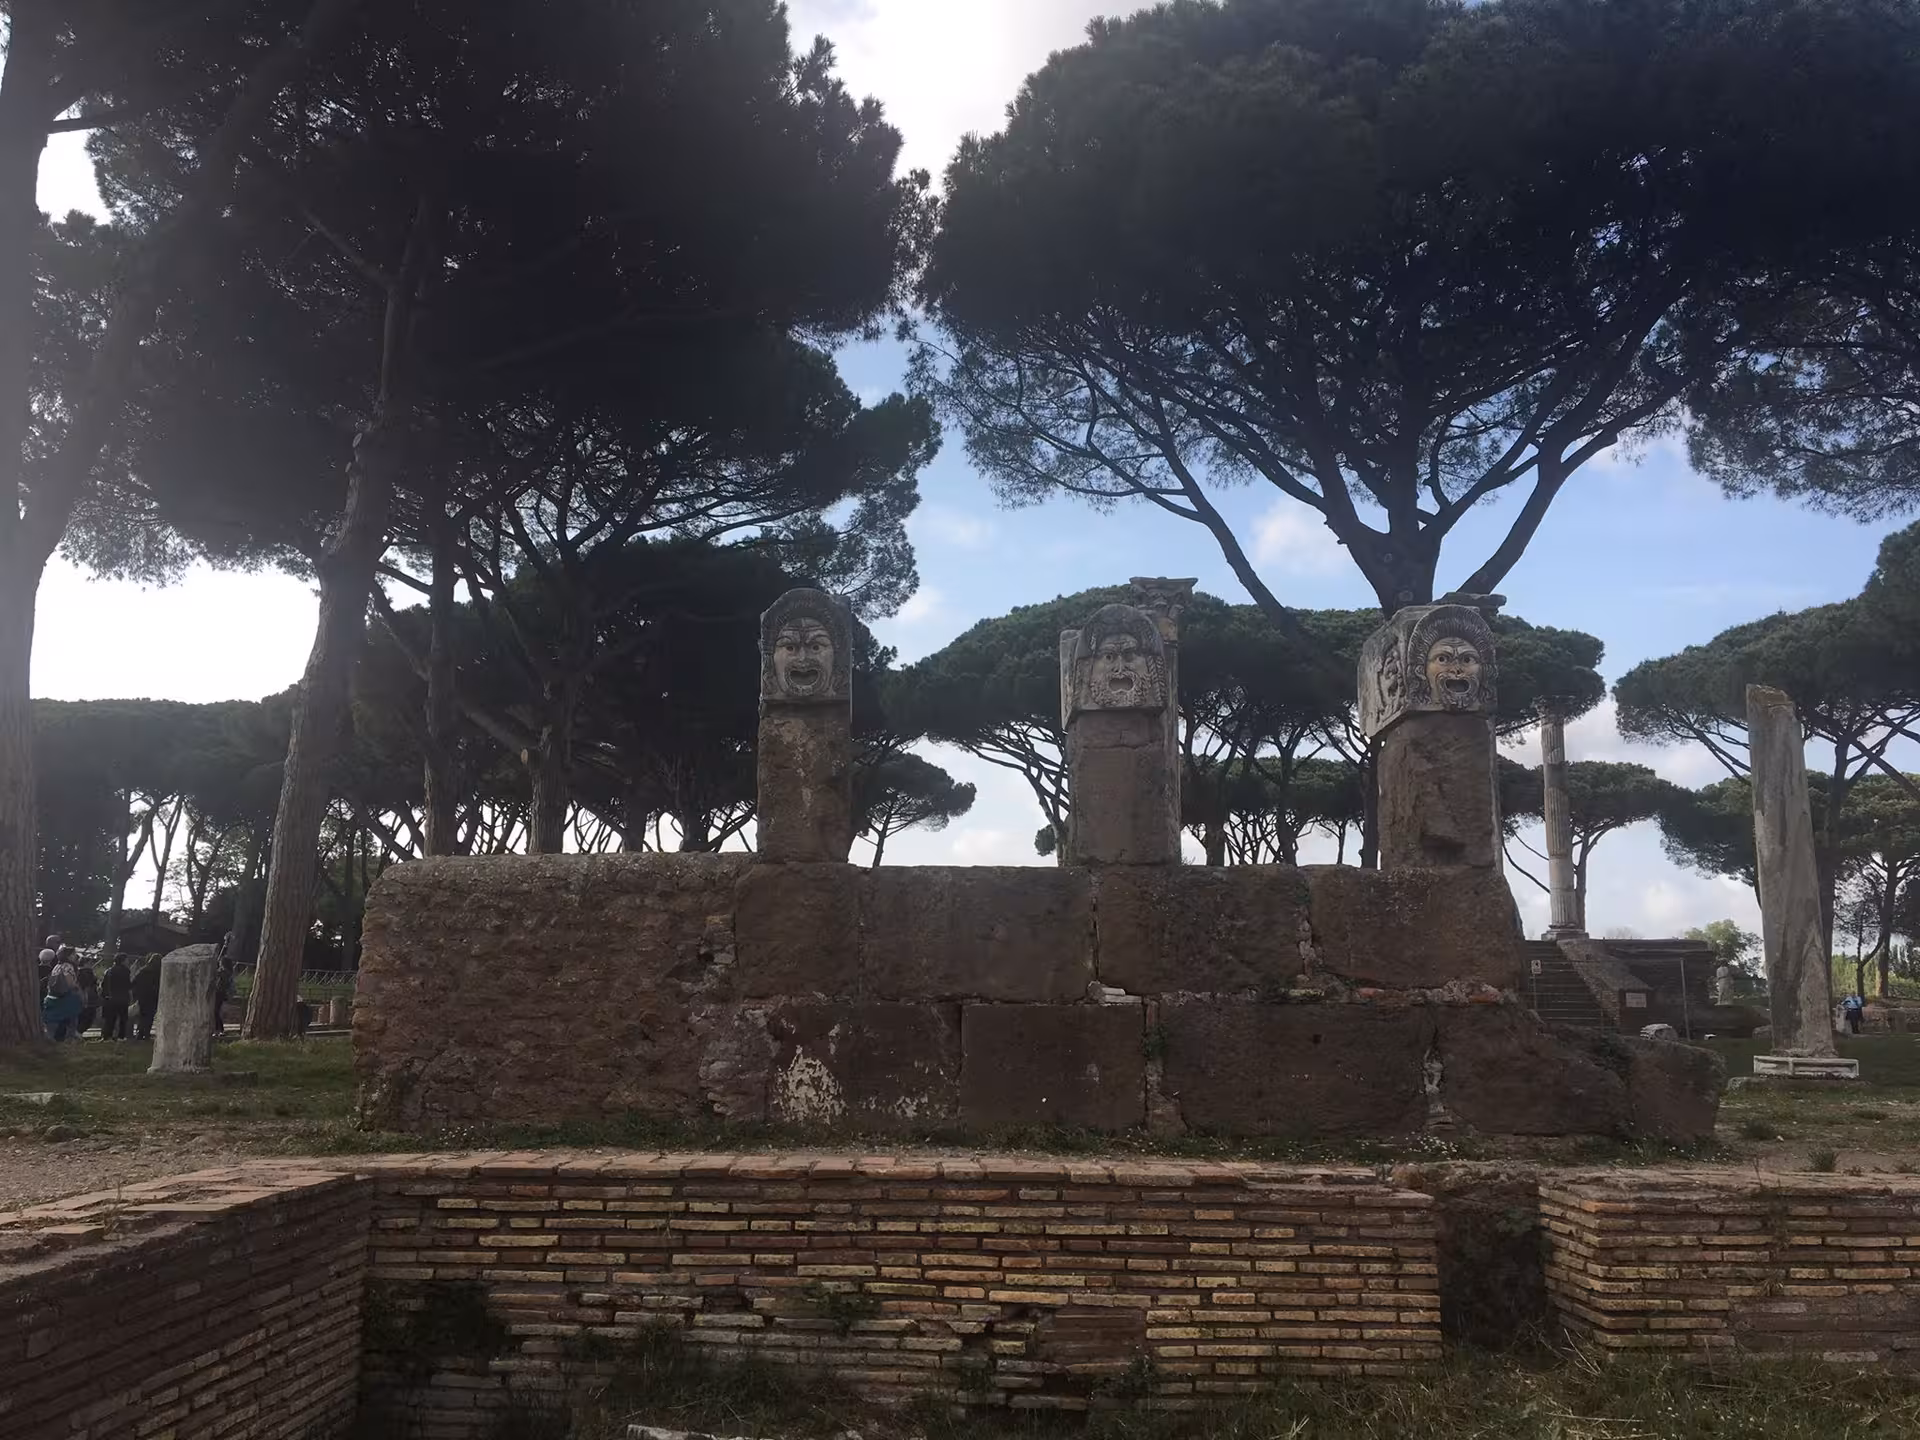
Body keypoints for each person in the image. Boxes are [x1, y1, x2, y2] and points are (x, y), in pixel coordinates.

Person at [42, 967, 81, 1041]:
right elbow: (74, 1016)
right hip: (60, 1023)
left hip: (52, 1021)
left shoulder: (49, 995)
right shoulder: (72, 996)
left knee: (51, 1035)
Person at [101, 950, 132, 1041]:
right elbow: (127, 985)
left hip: (110, 998)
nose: (128, 961)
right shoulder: (126, 971)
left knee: (110, 1019)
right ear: (123, 960)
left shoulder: (109, 971)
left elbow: (104, 984)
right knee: (123, 1019)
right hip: (122, 998)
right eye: (127, 960)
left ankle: (107, 1036)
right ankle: (121, 1036)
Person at [131, 953, 163, 1041]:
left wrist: (136, 993)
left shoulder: (143, 970)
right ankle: (146, 1033)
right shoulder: (159, 972)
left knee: (142, 1015)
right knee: (150, 1016)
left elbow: (133, 982)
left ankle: (140, 1033)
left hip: (142, 996)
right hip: (153, 996)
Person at [75, 953, 100, 1037]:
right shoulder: (87, 972)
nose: (92, 964)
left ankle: (77, 1032)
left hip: (82, 998)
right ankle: (78, 1032)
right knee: (88, 1017)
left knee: (81, 1017)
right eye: (90, 963)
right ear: (85, 963)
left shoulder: (77, 972)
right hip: (89, 998)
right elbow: (87, 986)